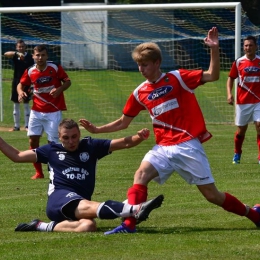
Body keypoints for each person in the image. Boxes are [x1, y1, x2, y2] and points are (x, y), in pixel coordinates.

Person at [79, 27, 260, 235]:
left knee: (212, 196)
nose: (140, 69)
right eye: (139, 65)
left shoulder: (178, 78)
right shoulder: (139, 92)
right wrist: (97, 129)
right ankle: (129, 226)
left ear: (157, 63)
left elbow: (213, 75)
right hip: (163, 147)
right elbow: (123, 122)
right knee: (140, 175)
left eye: (144, 64)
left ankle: (254, 214)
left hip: (187, 146)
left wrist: (214, 49)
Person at [0, 118, 164, 233]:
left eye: (74, 137)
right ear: (59, 137)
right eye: (66, 138)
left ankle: (39, 226)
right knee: (86, 204)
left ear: (79, 134)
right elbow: (17, 156)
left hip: (79, 204)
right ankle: (135, 209)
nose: (71, 141)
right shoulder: (51, 150)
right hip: (59, 198)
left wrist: (139, 137)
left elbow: (124, 143)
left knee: (88, 227)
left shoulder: (90, 146)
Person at [17, 44, 71, 180]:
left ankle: (54, 170)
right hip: (36, 111)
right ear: (33, 56)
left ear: (47, 56)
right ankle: (39, 173)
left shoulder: (55, 67)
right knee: (33, 140)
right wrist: (20, 92)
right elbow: (21, 84)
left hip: (53, 111)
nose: (40, 58)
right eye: (37, 55)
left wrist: (59, 90)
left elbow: (68, 81)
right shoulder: (30, 71)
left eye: (43, 55)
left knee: (52, 143)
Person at [226, 35, 260, 164]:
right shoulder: (239, 62)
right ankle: (237, 153)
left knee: (259, 126)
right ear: (243, 47)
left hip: (258, 101)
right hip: (243, 101)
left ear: (256, 47)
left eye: (251, 45)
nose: (248, 48)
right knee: (241, 131)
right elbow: (230, 78)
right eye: (246, 45)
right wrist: (229, 94)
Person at [4, 39, 34, 132]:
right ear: (16, 47)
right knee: (16, 103)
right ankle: (16, 126)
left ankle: (27, 126)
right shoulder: (15, 55)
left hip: (27, 82)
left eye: (22, 46)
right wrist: (16, 53)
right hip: (16, 81)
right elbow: (5, 54)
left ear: (25, 47)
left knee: (26, 103)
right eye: (19, 47)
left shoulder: (29, 57)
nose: (21, 48)